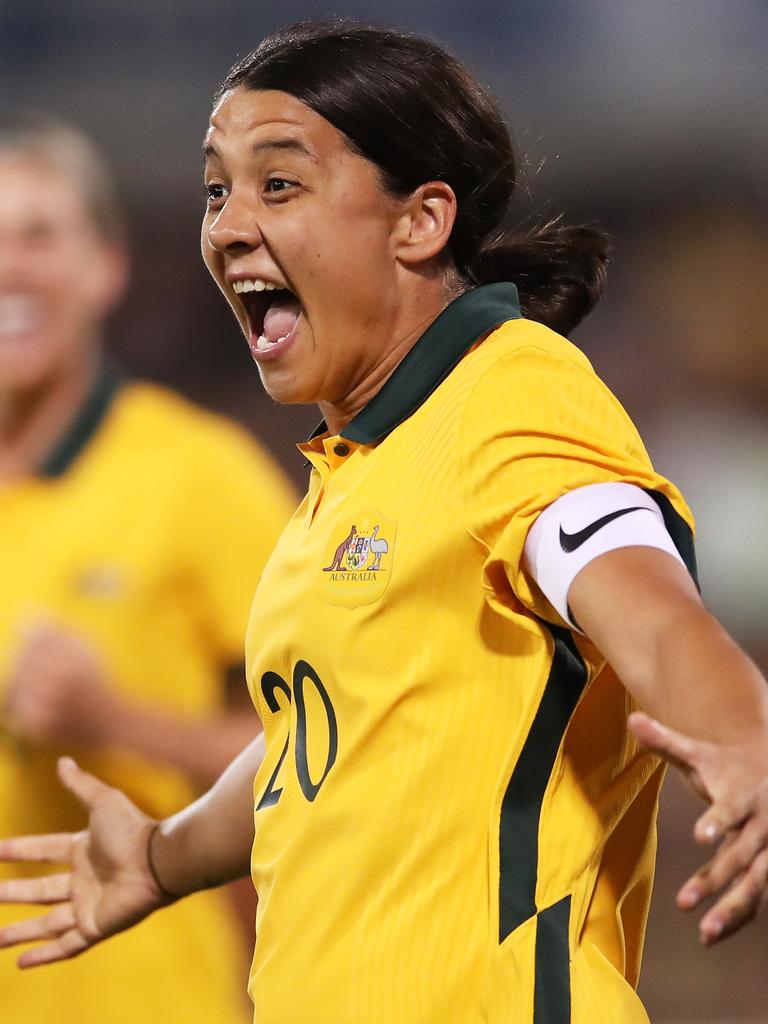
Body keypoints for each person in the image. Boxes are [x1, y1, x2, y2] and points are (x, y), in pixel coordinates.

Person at [2, 22, 768, 1024]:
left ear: (420, 221)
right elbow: (323, 740)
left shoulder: (514, 400)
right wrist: (160, 852)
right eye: (215, 189)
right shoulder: (358, 465)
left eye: (278, 185)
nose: (229, 225)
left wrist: (745, 732)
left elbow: (654, 608)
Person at [0, 113, 296, 1023]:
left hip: (143, 996)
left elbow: (328, 747)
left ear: (105, 265)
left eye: (38, 234)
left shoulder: (199, 474)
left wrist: (111, 716)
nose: (10, 267)